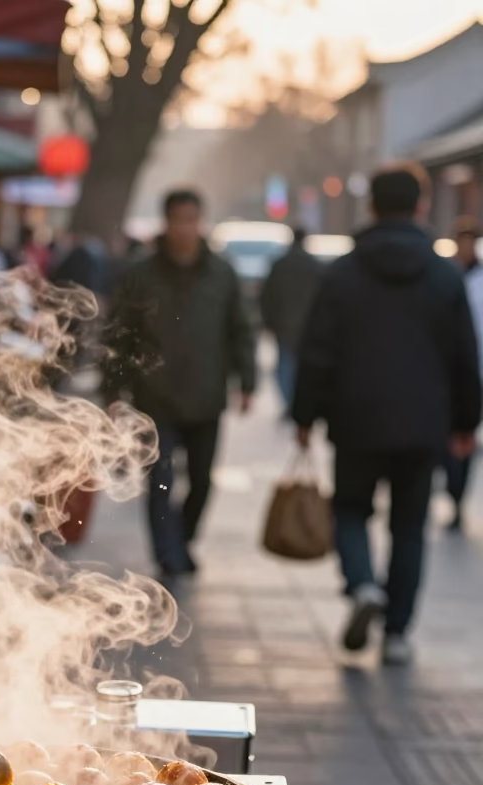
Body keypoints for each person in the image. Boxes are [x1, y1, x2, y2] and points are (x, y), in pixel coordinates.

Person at [292, 165, 481, 665]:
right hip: (424, 425)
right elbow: (465, 354)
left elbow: (317, 351)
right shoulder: (444, 275)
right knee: (410, 526)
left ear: (370, 206)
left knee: (351, 509)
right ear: (420, 206)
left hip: (356, 419)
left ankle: (361, 587)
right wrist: (466, 423)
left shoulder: (344, 272)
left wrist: (304, 414)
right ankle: (397, 633)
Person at [104, 188, 255, 578]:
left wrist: (248, 380)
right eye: (178, 220)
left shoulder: (221, 272)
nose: (185, 229)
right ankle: (166, 553)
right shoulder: (141, 274)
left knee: (202, 482)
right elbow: (119, 336)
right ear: (166, 223)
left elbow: (240, 329)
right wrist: (113, 391)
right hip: (155, 396)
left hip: (206, 394)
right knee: (161, 479)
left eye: (192, 220)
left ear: (200, 222)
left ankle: (182, 537)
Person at [444, 217, 483, 530]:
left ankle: (457, 497)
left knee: (463, 437)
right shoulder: (442, 277)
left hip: (474, 373)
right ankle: (449, 488)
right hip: (444, 375)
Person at [260, 226, 323, 410]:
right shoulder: (313, 265)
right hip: (306, 323)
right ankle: (296, 402)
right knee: (299, 365)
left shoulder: (280, 264)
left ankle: (290, 401)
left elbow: (267, 295)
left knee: (286, 364)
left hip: (283, 323)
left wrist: (268, 320)